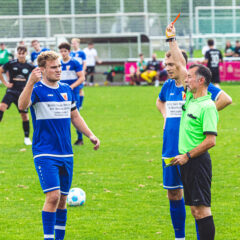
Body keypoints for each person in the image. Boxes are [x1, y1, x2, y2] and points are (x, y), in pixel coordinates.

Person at [156, 24, 232, 240]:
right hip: (173, 148)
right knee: (179, 196)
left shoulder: (195, 91)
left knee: (199, 207)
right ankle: (179, 237)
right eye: (166, 64)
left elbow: (225, 100)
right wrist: (165, 118)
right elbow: (159, 102)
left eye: (172, 64)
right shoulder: (173, 87)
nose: (169, 67)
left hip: (192, 151)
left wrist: (198, 115)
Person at [18, 51, 100, 240]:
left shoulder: (66, 89)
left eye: (59, 67)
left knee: (63, 200)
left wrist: (90, 135)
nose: (58, 70)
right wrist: (30, 82)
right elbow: (22, 106)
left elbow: (75, 116)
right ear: (42, 69)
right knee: (53, 197)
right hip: (45, 152)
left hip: (66, 153)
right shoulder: (36, 89)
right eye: (53, 67)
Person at [171, 64, 219, 240]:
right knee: (195, 211)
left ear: (201, 80)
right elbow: (180, 67)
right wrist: (171, 40)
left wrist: (187, 156)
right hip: (187, 163)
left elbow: (210, 141)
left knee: (202, 210)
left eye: (190, 76)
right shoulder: (191, 98)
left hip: (197, 163)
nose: (186, 79)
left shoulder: (207, 106)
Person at [0, 45, 35, 145]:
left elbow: (38, 75)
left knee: (24, 116)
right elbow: (1, 70)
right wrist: (6, 83)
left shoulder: (30, 66)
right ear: (16, 54)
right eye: (19, 53)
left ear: (26, 54)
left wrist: (29, 87)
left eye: (23, 53)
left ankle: (27, 138)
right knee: (2, 106)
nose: (21, 55)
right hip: (11, 91)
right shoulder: (11, 63)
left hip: (23, 94)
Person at [58, 42, 85, 146]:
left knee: (75, 115)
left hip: (73, 93)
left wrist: (72, 86)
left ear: (69, 51)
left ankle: (80, 138)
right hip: (61, 93)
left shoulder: (74, 62)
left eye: (65, 51)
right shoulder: (58, 63)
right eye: (61, 51)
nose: (63, 53)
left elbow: (82, 77)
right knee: (61, 116)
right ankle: (64, 140)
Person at [70, 38, 86, 110]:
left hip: (79, 72)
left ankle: (80, 104)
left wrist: (83, 71)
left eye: (75, 43)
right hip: (73, 73)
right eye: (72, 43)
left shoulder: (81, 53)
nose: (73, 44)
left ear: (78, 44)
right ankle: (74, 103)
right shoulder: (70, 53)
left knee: (80, 89)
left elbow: (84, 62)